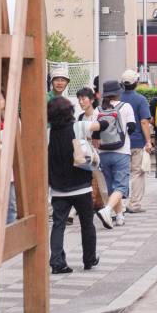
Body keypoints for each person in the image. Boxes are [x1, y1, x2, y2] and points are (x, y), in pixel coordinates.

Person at [48, 96, 105, 274]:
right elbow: (101, 125)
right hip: (81, 185)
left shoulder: (48, 133)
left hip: (58, 188)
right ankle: (89, 259)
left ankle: (57, 262)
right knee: (87, 223)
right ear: (69, 111)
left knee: (58, 225)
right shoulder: (78, 126)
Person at [93, 81, 136, 229]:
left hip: (103, 153)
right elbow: (132, 127)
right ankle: (107, 210)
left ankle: (119, 217)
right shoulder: (126, 107)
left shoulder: (98, 109)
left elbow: (94, 131)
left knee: (112, 187)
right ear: (119, 92)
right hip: (121, 151)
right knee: (121, 187)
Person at [119, 70, 152, 214]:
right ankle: (134, 204)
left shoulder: (116, 98)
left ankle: (119, 204)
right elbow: (144, 121)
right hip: (137, 141)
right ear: (136, 83)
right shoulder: (141, 99)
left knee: (121, 173)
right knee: (137, 173)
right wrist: (148, 141)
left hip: (119, 142)